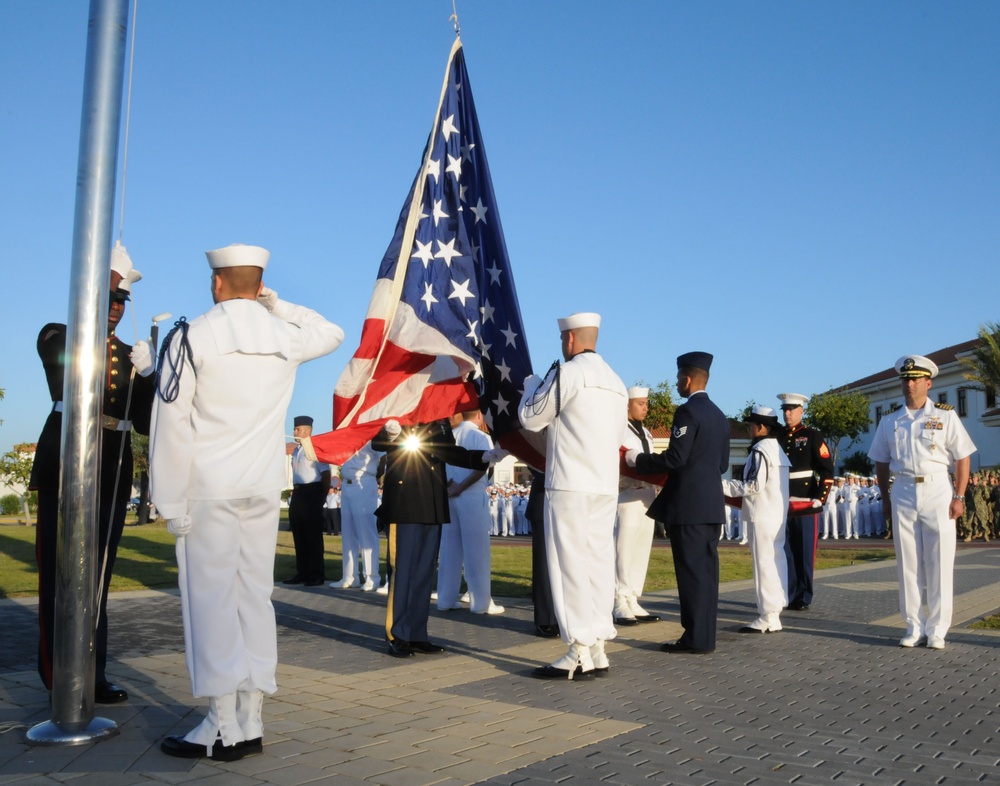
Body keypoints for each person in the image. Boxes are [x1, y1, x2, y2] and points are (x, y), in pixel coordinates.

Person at [150, 243, 344, 760]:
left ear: (216, 283)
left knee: (211, 603)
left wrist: (168, 500)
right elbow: (332, 332)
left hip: (208, 490)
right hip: (261, 487)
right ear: (257, 285)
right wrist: (276, 305)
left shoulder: (192, 337)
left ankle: (221, 724)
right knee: (253, 600)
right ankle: (253, 716)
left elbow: (170, 421)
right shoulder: (283, 334)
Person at [29, 244, 155, 704]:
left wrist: (149, 376)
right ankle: (57, 673)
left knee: (97, 577)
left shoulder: (128, 353)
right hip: (66, 463)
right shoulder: (57, 335)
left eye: (121, 301)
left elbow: (141, 421)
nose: (117, 309)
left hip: (112, 469)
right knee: (59, 576)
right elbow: (73, 375)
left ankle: (93, 673)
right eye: (109, 298)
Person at [519, 312, 628, 680]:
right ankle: (597, 647)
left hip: (570, 482)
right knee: (598, 564)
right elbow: (616, 439)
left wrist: (532, 386)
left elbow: (531, 417)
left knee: (569, 567)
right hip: (603, 484)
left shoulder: (568, 373)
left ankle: (578, 651)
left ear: (569, 340)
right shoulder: (616, 381)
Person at [868, 355, 976, 650]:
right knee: (908, 563)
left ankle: (938, 628)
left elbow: (963, 456)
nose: (909, 383)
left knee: (940, 561)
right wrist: (886, 496)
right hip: (902, 488)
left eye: (915, 379)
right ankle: (913, 626)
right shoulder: (890, 420)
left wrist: (959, 496)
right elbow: (880, 460)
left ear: (928, 383)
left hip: (938, 487)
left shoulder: (945, 416)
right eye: (905, 379)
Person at [627, 352, 730, 654]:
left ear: (686, 379)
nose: (676, 384)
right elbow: (722, 464)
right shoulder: (720, 416)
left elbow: (675, 457)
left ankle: (695, 640)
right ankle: (704, 637)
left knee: (691, 575)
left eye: (677, 379)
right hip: (711, 506)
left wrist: (638, 460)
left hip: (689, 508)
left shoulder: (688, 413)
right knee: (706, 575)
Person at [373, 418, 502, 658]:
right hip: (404, 501)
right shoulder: (399, 410)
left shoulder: (439, 420)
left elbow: (450, 453)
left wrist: (485, 457)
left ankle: (417, 634)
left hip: (432, 502)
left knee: (423, 572)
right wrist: (390, 433)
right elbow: (378, 443)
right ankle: (397, 634)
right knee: (402, 571)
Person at [722, 406, 790, 633]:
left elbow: (753, 485)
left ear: (761, 427)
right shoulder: (777, 449)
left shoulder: (760, 450)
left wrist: (722, 485)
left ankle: (767, 615)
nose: (749, 429)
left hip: (761, 515)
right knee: (776, 561)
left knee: (763, 564)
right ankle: (775, 612)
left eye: (751, 425)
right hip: (776, 514)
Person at [437, 408, 505, 615]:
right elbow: (481, 467)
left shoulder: (451, 436)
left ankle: (446, 599)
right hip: (471, 494)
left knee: (449, 550)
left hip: (449, 493)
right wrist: (461, 487)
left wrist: (448, 486)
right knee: (477, 551)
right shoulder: (480, 436)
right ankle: (481, 603)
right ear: (479, 416)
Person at [777, 392, 835, 611]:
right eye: (785, 410)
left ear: (801, 411)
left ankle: (804, 595)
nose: (787, 413)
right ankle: (789, 594)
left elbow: (827, 470)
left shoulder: (812, 436)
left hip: (806, 503)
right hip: (783, 501)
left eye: (792, 409)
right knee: (787, 552)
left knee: (805, 552)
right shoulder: (778, 437)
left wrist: (820, 498)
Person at [613, 386, 660, 626]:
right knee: (623, 548)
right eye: (640, 403)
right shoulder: (619, 429)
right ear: (628, 404)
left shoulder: (648, 433)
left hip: (647, 495)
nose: (645, 408)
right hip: (627, 493)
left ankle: (632, 596)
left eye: (646, 403)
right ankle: (619, 599)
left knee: (641, 548)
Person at [283, 415, 331, 587]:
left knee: (313, 537)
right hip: (298, 493)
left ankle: (316, 575)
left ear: (308, 430)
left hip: (312, 492)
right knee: (299, 535)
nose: (294, 431)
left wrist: (321, 497)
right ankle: (302, 572)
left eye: (298, 429)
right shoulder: (296, 450)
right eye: (294, 428)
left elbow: (326, 475)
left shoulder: (315, 449)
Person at [330, 440, 383, 590]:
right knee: (348, 533)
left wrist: (376, 474)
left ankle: (372, 578)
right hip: (346, 484)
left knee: (366, 532)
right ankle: (349, 577)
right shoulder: (349, 435)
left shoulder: (370, 435)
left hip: (364, 482)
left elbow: (384, 456)